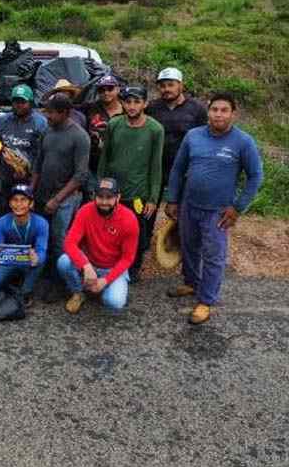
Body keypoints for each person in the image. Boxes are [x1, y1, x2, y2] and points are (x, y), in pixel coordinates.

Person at [165, 92, 263, 325]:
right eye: (215, 109)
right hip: (189, 204)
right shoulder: (193, 136)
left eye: (224, 110)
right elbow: (178, 169)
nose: (218, 114)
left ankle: (206, 300)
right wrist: (173, 199)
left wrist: (238, 208)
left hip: (217, 212)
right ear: (208, 111)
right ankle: (191, 283)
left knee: (213, 256)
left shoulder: (243, 141)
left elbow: (255, 176)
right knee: (189, 246)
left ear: (233, 114)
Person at [98, 86, 164, 281]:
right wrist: (101, 186)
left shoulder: (155, 129)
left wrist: (152, 198)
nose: (132, 106)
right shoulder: (114, 124)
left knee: (137, 233)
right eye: (128, 101)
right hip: (112, 192)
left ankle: (132, 271)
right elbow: (105, 158)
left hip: (138, 193)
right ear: (123, 103)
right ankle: (110, 266)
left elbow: (156, 166)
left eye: (137, 102)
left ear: (145, 103)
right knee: (110, 230)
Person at [58, 178, 139, 314]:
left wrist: (105, 280)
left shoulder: (129, 219)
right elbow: (69, 242)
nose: (104, 202)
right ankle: (78, 292)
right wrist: (85, 265)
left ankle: (101, 288)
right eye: (100, 197)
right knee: (63, 262)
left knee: (115, 302)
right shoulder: (85, 211)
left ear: (118, 197)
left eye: (109, 197)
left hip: (112, 267)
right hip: (90, 264)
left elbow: (128, 259)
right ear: (94, 196)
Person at [32, 93, 91, 277]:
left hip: (65, 198)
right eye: (46, 111)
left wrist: (57, 200)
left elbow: (80, 175)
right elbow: (38, 163)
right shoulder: (47, 131)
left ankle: (62, 279)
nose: (47, 116)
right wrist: (30, 190)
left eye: (51, 112)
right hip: (43, 194)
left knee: (60, 241)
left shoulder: (80, 136)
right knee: (42, 237)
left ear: (65, 112)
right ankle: (44, 274)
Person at [0, 184, 49, 305]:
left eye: (23, 200)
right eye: (15, 200)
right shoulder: (1, 222)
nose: (19, 204)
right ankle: (9, 282)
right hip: (8, 261)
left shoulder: (41, 223)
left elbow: (42, 250)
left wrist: (36, 258)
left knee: (41, 260)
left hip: (29, 262)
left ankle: (26, 291)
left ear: (31, 204)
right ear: (10, 203)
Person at [145, 67, 207, 199]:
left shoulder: (197, 109)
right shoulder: (151, 108)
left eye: (171, 85)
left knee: (182, 212)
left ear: (181, 85)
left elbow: (205, 139)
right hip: (156, 167)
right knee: (148, 209)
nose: (166, 89)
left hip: (185, 168)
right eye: (162, 86)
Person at [0, 84, 47, 196]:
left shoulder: (40, 124)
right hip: (5, 176)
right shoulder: (2, 121)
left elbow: (42, 153)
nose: (19, 105)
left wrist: (30, 172)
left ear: (31, 103)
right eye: (16, 102)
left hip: (29, 178)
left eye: (23, 102)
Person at [82, 74, 124, 180]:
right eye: (101, 90)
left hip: (120, 165)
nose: (106, 93)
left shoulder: (128, 110)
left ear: (118, 89)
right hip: (94, 166)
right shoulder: (90, 108)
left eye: (110, 89)